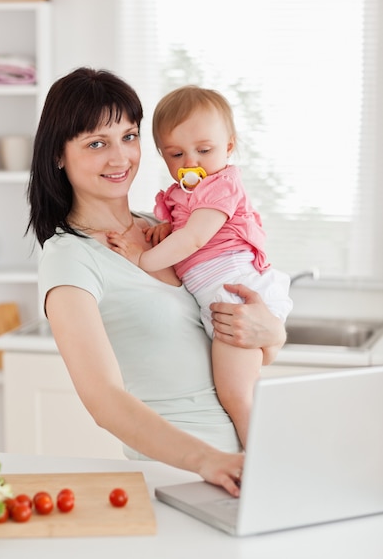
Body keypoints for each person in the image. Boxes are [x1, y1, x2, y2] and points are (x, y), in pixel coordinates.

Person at [27, 67, 287, 497]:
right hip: (185, 479)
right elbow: (104, 401)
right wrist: (209, 460)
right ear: (58, 154)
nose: (119, 158)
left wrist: (273, 334)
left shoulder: (167, 231)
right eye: (96, 143)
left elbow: (232, 347)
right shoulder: (69, 258)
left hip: (253, 465)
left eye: (129, 137)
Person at [108, 86, 293, 448]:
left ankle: (264, 468)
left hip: (232, 295)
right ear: (162, 156)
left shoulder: (220, 186)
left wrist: (140, 257)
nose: (190, 161)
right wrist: (166, 229)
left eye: (204, 150)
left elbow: (194, 240)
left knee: (238, 397)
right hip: (219, 299)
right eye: (176, 154)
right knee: (237, 394)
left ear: (228, 146)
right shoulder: (185, 195)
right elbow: (184, 232)